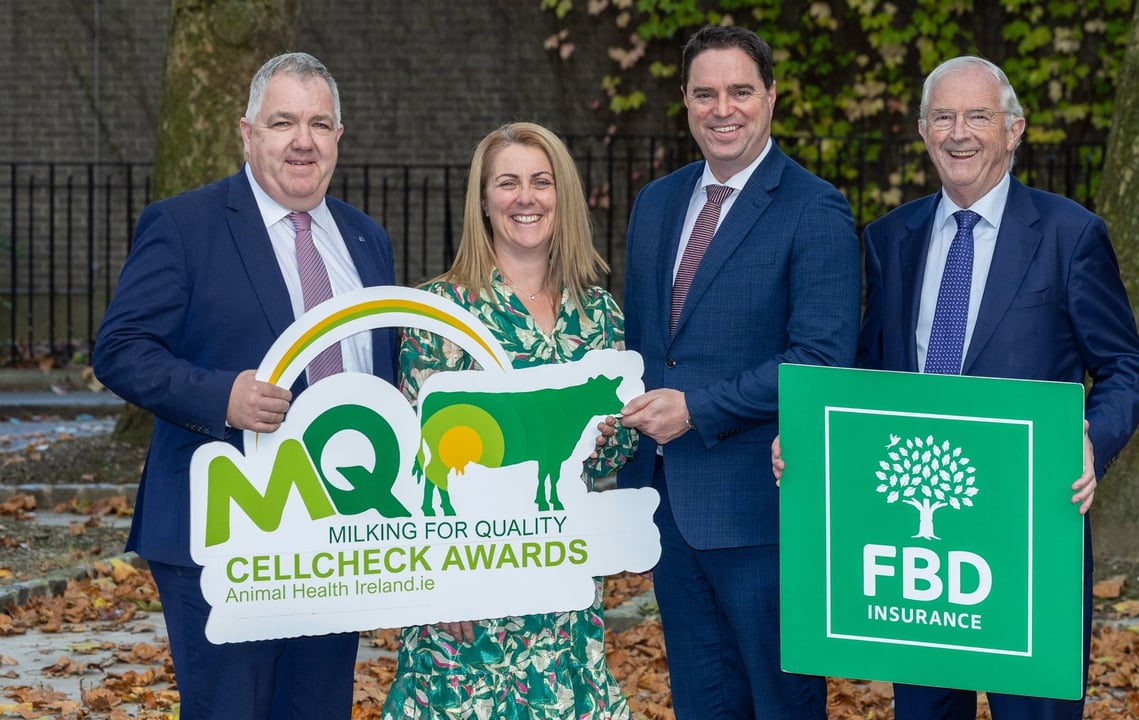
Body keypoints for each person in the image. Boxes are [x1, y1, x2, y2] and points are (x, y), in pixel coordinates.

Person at [778, 55, 1139, 719]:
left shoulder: (1070, 235)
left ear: (1014, 129)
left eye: (978, 116)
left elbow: (1125, 365)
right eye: (943, 117)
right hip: (922, 552)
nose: (959, 133)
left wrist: (1091, 439)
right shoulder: (890, 238)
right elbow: (867, 372)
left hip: (1030, 526)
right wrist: (811, 438)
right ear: (924, 131)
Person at [93, 52, 397, 719]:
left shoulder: (367, 241)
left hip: (336, 538)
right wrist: (219, 397)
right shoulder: (184, 226)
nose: (302, 141)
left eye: (319, 124)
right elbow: (119, 349)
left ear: (339, 136)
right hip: (224, 533)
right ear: (248, 132)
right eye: (283, 122)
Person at [617, 25, 860, 720]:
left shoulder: (814, 208)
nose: (722, 109)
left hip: (763, 508)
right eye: (705, 94)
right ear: (685, 101)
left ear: (771, 97)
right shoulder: (657, 203)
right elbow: (645, 345)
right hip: (669, 503)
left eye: (740, 92)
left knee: (780, 702)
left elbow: (820, 359)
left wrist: (697, 408)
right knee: (703, 701)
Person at [383, 121, 636, 719]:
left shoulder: (599, 314)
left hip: (564, 580)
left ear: (561, 196)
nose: (526, 197)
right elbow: (420, 459)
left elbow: (609, 455)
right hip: (470, 589)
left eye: (541, 182)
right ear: (483, 201)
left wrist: (610, 434)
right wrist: (441, 585)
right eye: (508, 183)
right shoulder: (442, 312)